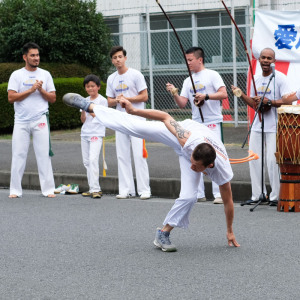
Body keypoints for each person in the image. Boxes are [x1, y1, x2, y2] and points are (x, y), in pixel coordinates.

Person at [62, 93, 240, 252]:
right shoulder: (187, 139)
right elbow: (164, 116)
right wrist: (132, 110)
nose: (191, 167)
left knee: (189, 197)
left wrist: (230, 230)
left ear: (208, 166)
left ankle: (163, 233)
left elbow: (228, 201)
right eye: (191, 163)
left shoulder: (221, 171)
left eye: (195, 167)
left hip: (199, 149)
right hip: (186, 136)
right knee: (137, 128)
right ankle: (90, 106)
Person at [166, 47, 227, 204]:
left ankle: (218, 193)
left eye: (190, 60)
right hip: (196, 123)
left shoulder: (212, 75)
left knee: (215, 155)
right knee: (196, 155)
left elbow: (223, 93)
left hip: (212, 121)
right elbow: (182, 103)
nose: (188, 63)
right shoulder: (188, 81)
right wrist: (174, 93)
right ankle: (198, 193)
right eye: (186, 60)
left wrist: (206, 96)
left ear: (200, 59)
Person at [231, 48, 292, 206]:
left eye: (269, 58)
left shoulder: (280, 78)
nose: (265, 60)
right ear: (259, 60)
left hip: (274, 125)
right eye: (263, 57)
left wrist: (269, 102)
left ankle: (275, 196)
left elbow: (288, 101)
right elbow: (253, 103)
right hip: (257, 125)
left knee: (272, 161)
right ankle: (258, 194)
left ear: (274, 61)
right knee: (254, 159)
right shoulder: (255, 78)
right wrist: (241, 95)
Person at [7, 42, 56, 198]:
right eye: (32, 55)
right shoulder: (16, 75)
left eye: (37, 55)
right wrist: (31, 90)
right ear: (25, 57)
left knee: (43, 155)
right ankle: (15, 190)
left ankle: (48, 189)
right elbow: (11, 97)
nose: (36, 58)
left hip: (40, 119)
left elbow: (53, 98)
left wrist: (40, 89)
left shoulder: (45, 74)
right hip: (21, 121)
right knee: (18, 154)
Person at [106, 46, 151, 200]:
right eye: (115, 58)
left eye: (120, 57)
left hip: (137, 119)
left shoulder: (136, 75)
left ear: (125, 58)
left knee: (139, 155)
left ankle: (144, 189)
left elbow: (144, 96)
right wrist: (117, 100)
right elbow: (109, 101)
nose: (118, 60)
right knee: (122, 155)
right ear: (112, 61)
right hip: (120, 120)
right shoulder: (111, 78)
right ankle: (126, 189)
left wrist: (127, 99)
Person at [80, 74, 108, 199]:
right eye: (87, 86)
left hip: (96, 133)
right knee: (86, 162)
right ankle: (91, 188)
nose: (90, 89)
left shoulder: (102, 100)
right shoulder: (84, 100)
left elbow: (101, 116)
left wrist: (89, 109)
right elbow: (82, 120)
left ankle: (96, 189)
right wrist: (83, 110)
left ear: (98, 87)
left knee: (93, 159)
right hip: (85, 133)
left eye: (92, 86)